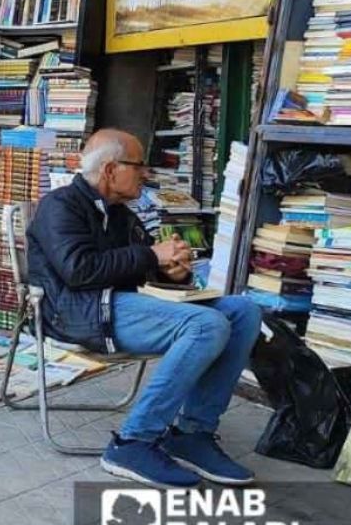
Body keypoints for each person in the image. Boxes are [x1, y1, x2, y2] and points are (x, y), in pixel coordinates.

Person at [25, 129, 261, 489]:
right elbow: (79, 271)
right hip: (76, 314)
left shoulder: (122, 214)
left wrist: (175, 273)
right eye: (138, 166)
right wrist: (152, 255)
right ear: (109, 169)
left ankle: (192, 434)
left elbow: (146, 268)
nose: (145, 174)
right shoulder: (60, 205)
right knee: (206, 326)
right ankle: (133, 442)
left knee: (243, 311)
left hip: (120, 307)